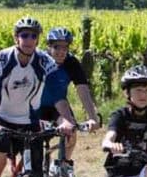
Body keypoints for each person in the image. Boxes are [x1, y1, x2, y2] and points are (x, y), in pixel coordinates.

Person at [0, 16, 76, 177]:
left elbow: (59, 96)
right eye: (24, 35)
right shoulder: (0, 60)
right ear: (16, 38)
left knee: (37, 171)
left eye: (33, 36)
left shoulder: (44, 62)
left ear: (38, 40)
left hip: (29, 120)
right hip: (2, 119)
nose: (29, 40)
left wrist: (66, 119)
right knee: (0, 148)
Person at [40, 26, 101, 162]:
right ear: (48, 46)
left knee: (71, 133)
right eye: (57, 47)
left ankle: (63, 165)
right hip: (35, 106)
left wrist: (92, 117)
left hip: (58, 107)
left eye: (65, 48)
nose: (61, 52)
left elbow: (83, 90)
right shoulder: (39, 61)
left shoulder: (71, 63)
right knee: (34, 142)